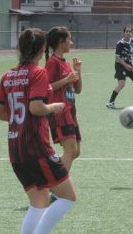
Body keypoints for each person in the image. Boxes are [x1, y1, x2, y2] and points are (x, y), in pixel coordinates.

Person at [0, 28, 76, 234]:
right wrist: (52, 108)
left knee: (39, 202)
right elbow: (36, 107)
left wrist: (21, 120)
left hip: (16, 148)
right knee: (68, 197)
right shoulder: (38, 73)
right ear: (42, 49)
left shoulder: (8, 75)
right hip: (36, 147)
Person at [45, 27, 82, 171]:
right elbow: (45, 87)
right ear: (61, 42)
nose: (71, 43)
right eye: (69, 40)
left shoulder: (66, 63)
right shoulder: (53, 62)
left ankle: (51, 175)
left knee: (76, 151)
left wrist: (78, 71)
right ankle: (59, 187)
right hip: (60, 111)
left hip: (71, 111)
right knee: (70, 150)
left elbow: (77, 90)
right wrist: (66, 80)